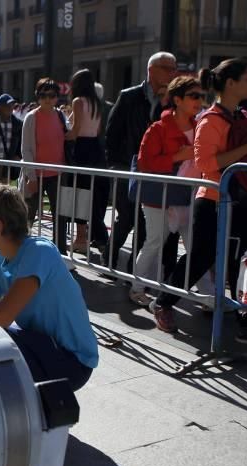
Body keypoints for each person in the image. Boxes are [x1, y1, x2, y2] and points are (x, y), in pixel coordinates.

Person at [150, 57, 247, 350]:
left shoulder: (244, 116)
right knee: (200, 257)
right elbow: (206, 163)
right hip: (213, 202)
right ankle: (163, 302)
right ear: (231, 83)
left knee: (245, 260)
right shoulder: (210, 120)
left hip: (244, 201)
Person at [0, 183, 98, 391]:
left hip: (73, 362)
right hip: (43, 345)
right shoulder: (1, 259)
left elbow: (1, 317)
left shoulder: (38, 252)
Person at [129, 76, 203, 307]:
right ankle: (137, 288)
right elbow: (146, 163)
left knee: (197, 247)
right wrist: (177, 156)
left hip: (191, 196)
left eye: (202, 96)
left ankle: (206, 296)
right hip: (159, 197)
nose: (200, 100)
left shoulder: (201, 126)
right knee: (155, 242)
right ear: (177, 100)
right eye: (194, 96)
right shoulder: (158, 129)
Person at [105, 52, 178, 272]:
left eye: (174, 69)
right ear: (151, 70)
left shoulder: (172, 100)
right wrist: (118, 165)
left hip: (154, 169)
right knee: (127, 217)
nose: (171, 73)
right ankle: (109, 258)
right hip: (127, 167)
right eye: (167, 68)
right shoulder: (129, 96)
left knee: (145, 223)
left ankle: (131, 269)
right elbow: (112, 133)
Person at [20, 78, 69, 254]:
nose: (47, 99)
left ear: (57, 97)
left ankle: (60, 253)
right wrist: (31, 177)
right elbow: (26, 150)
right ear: (37, 97)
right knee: (27, 215)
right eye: (43, 95)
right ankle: (20, 251)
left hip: (57, 174)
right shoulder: (31, 117)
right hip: (36, 175)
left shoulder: (61, 116)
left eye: (52, 95)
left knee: (60, 216)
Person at [64, 69, 108, 253]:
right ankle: (95, 237)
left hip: (82, 149)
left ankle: (83, 238)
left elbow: (75, 131)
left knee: (81, 194)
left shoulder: (78, 102)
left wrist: (60, 136)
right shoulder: (97, 103)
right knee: (95, 195)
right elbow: (96, 131)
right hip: (96, 150)